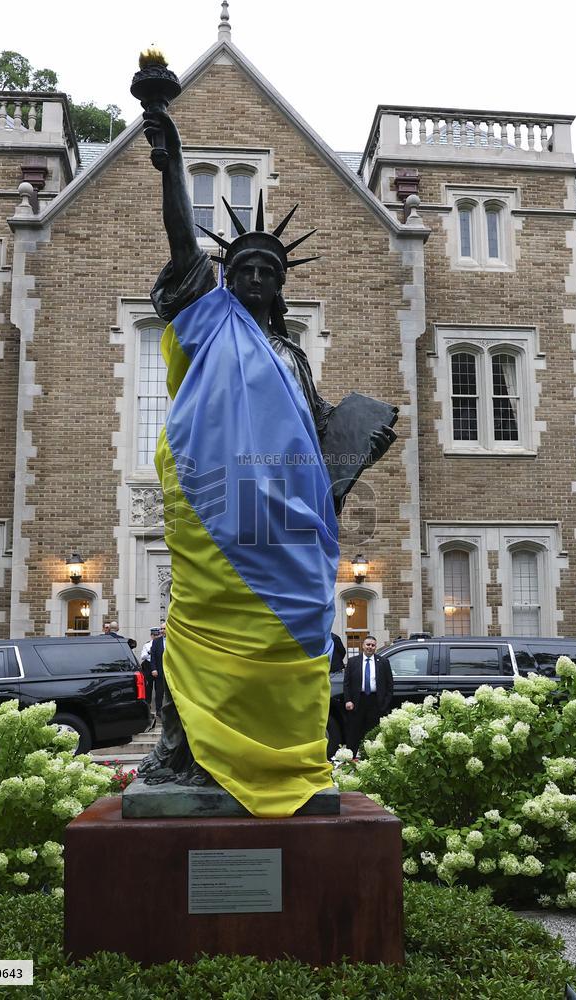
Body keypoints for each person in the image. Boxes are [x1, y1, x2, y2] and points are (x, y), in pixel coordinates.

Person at [137, 107, 395, 817]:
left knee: (299, 636)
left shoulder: (292, 356)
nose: (254, 276)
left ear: (280, 285)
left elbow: (320, 434)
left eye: (267, 270)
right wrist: (172, 165)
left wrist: (361, 443)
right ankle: (185, 753)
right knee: (199, 629)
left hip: (289, 526)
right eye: (244, 267)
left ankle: (289, 754)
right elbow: (182, 243)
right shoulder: (208, 318)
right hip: (216, 502)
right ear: (228, 276)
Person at [343, 635, 393, 755]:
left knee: (372, 731)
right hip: (357, 701)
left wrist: (384, 704)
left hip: (376, 702)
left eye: (373, 645)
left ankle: (370, 756)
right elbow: (347, 683)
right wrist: (348, 700)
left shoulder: (383, 662)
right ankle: (351, 757)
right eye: (368, 644)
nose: (370, 647)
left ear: (375, 647)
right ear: (363, 646)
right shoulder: (353, 662)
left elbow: (389, 685)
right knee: (354, 731)